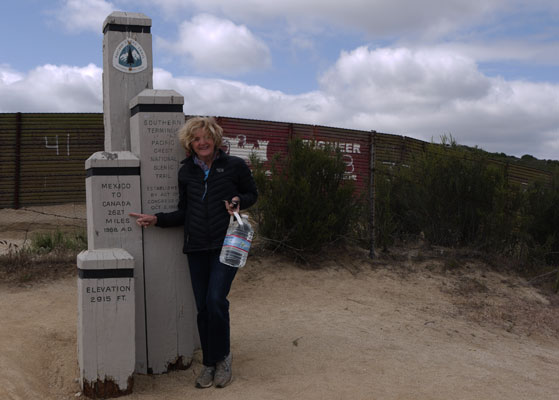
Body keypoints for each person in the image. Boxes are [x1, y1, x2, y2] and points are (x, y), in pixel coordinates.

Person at [130, 116, 257, 389]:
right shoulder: (186, 172)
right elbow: (185, 211)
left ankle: (223, 358)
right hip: (197, 246)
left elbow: (251, 194)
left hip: (227, 244)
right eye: (196, 139)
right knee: (202, 307)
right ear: (190, 144)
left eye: (206, 137)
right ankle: (209, 363)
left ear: (216, 139)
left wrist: (238, 200)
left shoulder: (233, 165)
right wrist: (158, 219)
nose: (202, 142)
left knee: (216, 300)